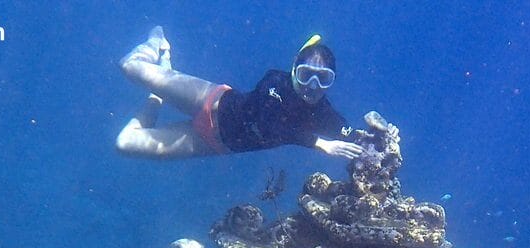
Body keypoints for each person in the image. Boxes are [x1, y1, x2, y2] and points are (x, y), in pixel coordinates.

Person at [116, 27, 363, 161]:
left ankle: (156, 97)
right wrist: (319, 143)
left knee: (124, 143)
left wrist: (373, 138)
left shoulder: (322, 113)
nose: (312, 86)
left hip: (211, 142)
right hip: (210, 100)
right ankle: (156, 41)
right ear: (294, 71)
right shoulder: (275, 81)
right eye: (306, 74)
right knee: (129, 66)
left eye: (323, 79)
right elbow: (269, 125)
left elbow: (351, 136)